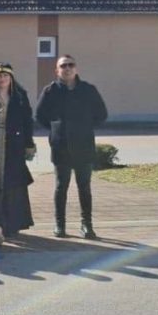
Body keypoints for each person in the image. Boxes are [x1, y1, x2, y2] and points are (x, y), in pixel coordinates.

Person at [35, 54, 108, 239]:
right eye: (63, 66)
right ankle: (60, 225)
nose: (67, 68)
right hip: (61, 147)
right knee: (61, 187)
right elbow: (39, 115)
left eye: (70, 65)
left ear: (76, 68)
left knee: (84, 187)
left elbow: (102, 113)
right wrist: (55, 129)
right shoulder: (50, 91)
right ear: (57, 70)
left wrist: (84, 127)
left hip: (84, 146)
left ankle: (87, 225)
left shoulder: (88, 90)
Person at [0, 63, 36, 239]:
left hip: (14, 144)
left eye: (6, 76)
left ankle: (13, 222)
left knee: (12, 181)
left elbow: (28, 121)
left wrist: (29, 143)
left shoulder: (20, 97)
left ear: (11, 78)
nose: (2, 79)